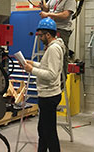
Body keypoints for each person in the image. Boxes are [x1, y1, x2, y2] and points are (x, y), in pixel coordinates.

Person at [23, 18, 65, 152]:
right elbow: (45, 66)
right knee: (43, 129)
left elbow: (51, 74)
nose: (40, 38)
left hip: (49, 95)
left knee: (49, 132)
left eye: (41, 35)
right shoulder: (53, 47)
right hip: (47, 94)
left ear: (48, 35)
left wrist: (32, 70)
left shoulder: (53, 49)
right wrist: (32, 63)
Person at [40, 0, 76, 69]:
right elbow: (47, 8)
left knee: (62, 55)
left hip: (62, 30)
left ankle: (62, 80)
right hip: (51, 29)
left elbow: (65, 15)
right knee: (48, 53)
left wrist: (47, 14)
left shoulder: (70, 0)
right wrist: (43, 6)